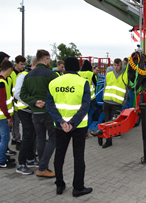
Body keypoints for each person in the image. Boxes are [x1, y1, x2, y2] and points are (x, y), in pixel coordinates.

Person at [46, 57, 92, 197]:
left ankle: (59, 185)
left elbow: (50, 105)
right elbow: (85, 106)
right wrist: (72, 123)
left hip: (60, 126)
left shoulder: (54, 82)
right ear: (78, 68)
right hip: (79, 125)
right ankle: (78, 188)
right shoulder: (83, 82)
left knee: (59, 155)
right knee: (78, 156)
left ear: (65, 67)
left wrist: (61, 121)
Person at [20, 49, 58, 178]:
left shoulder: (28, 75)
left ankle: (43, 168)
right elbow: (57, 93)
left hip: (35, 113)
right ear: (46, 59)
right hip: (49, 112)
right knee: (53, 138)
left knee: (41, 139)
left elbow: (22, 94)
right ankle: (42, 168)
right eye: (49, 59)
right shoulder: (51, 74)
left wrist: (34, 102)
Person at [15, 56, 39, 175]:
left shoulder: (32, 75)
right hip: (24, 110)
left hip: (31, 109)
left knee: (33, 134)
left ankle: (30, 159)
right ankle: (21, 164)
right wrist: (31, 103)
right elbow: (17, 93)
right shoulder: (23, 75)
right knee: (28, 135)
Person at [0, 60, 16, 169]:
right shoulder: (1, 83)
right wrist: (8, 117)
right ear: (9, 69)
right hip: (2, 116)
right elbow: (2, 102)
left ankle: (0, 156)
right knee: (4, 138)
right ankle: (1, 161)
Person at [101, 58, 128, 148]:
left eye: (118, 65)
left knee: (112, 122)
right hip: (107, 101)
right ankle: (108, 140)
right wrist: (103, 98)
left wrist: (123, 102)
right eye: (115, 65)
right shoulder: (109, 72)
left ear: (121, 65)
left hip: (117, 103)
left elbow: (126, 89)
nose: (116, 67)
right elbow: (105, 85)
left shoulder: (125, 74)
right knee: (107, 121)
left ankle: (109, 139)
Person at [10, 55, 26, 150]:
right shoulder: (12, 73)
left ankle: (15, 138)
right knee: (15, 121)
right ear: (16, 63)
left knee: (17, 121)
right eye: (21, 64)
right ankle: (17, 140)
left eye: (24, 64)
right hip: (13, 101)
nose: (23, 66)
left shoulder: (23, 73)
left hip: (19, 101)